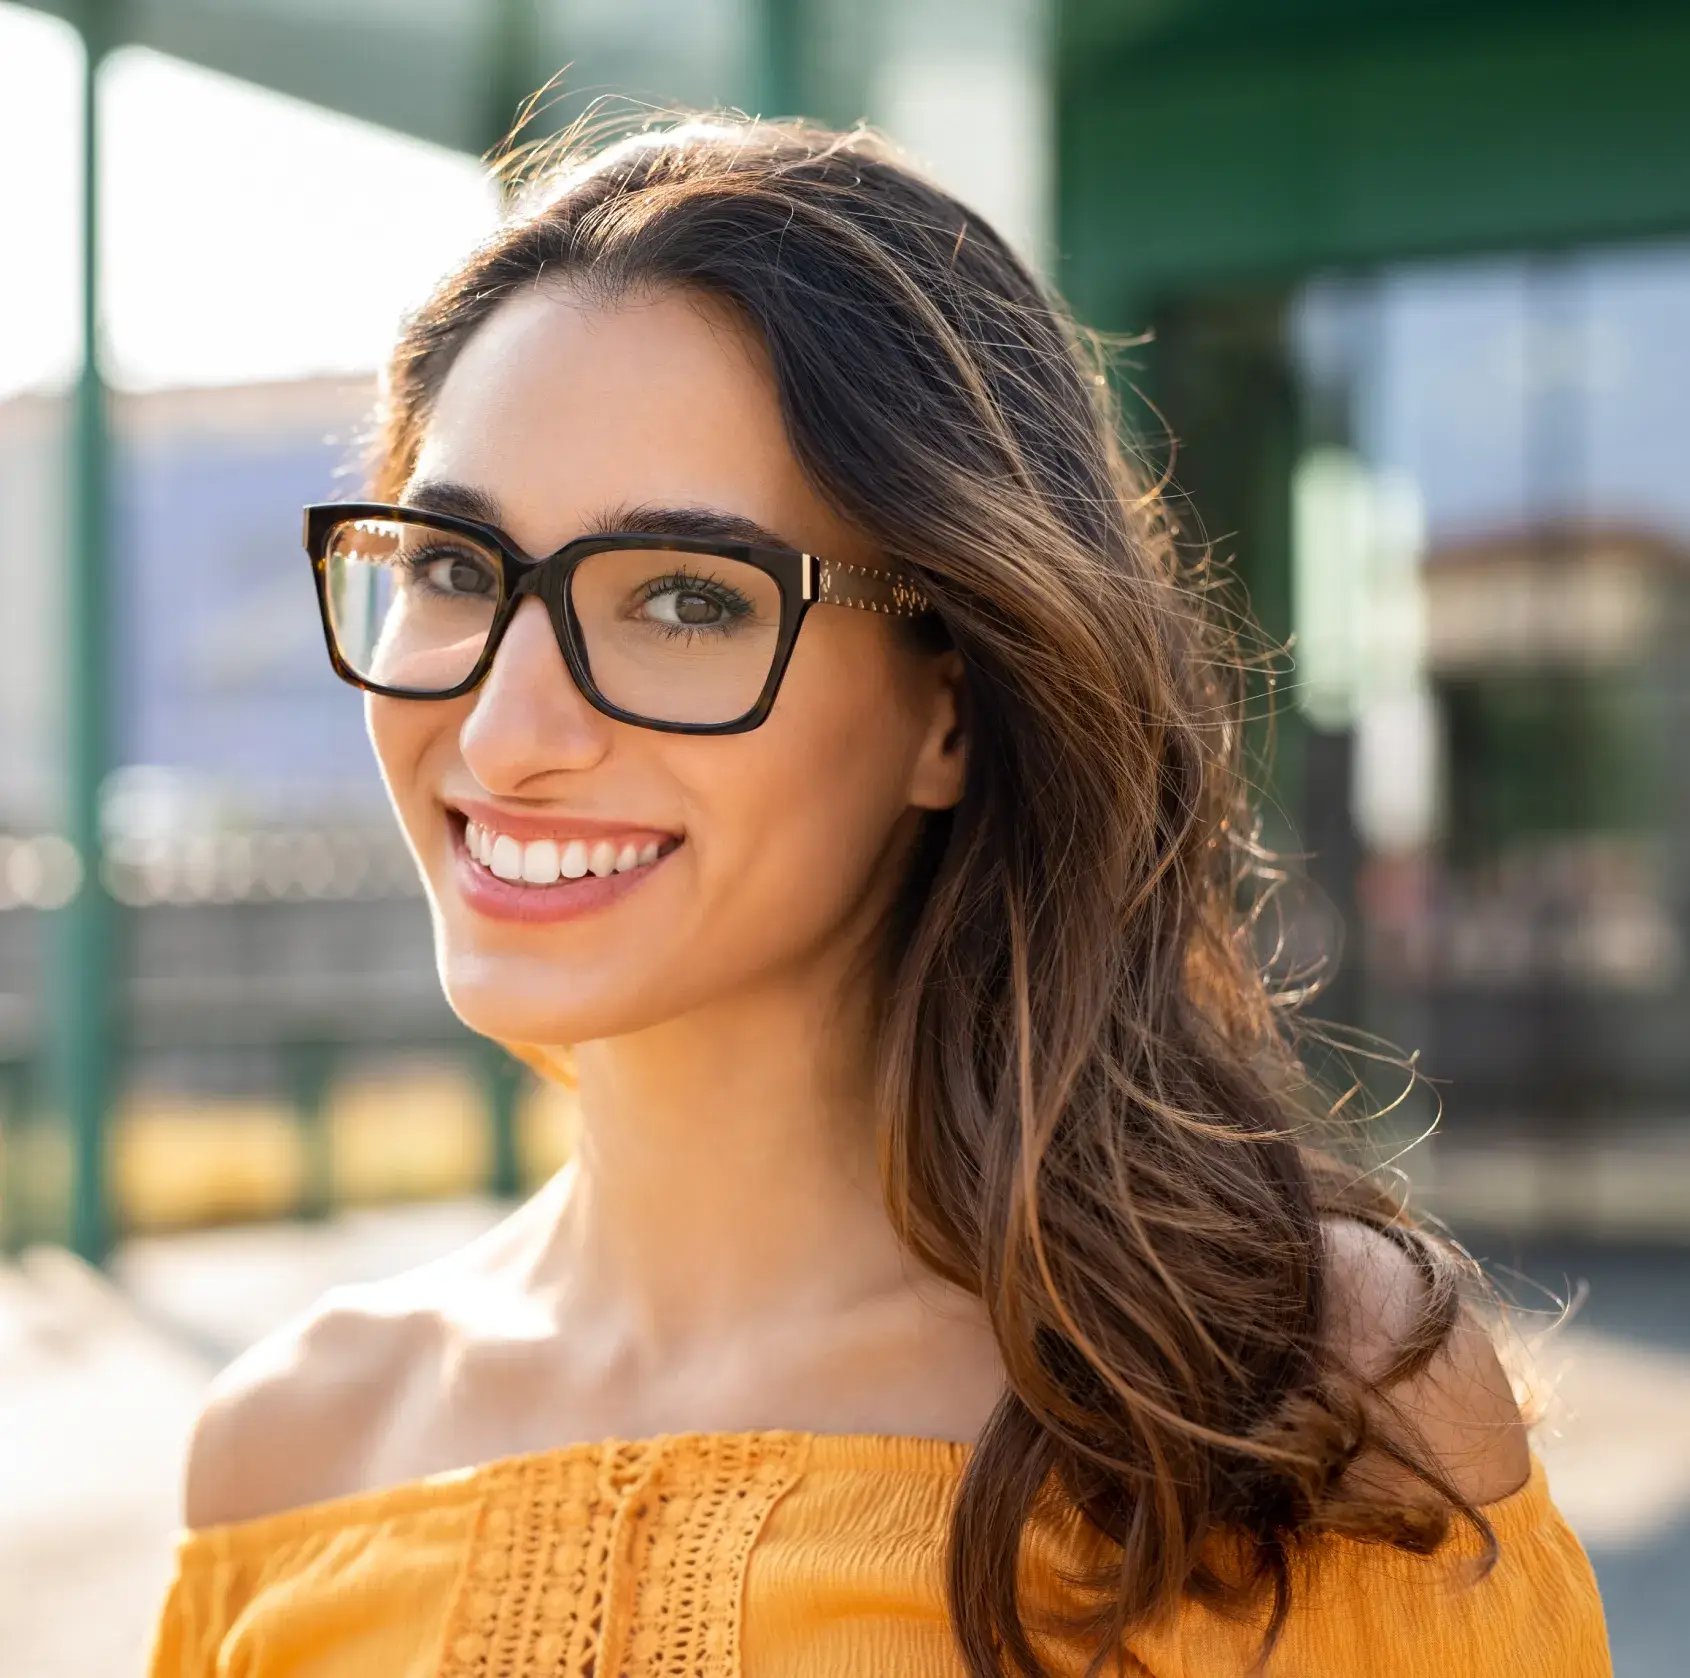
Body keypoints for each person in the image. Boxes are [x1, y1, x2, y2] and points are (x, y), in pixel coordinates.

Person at [146, 118, 1610, 1677]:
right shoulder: (285, 1460)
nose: (506, 733)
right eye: (450, 567)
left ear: (950, 707)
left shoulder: (1299, 1409)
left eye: (685, 600)